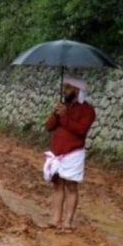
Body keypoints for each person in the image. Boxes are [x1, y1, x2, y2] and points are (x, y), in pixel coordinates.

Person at [43, 76, 95, 233]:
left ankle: (68, 222)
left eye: (68, 88)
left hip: (74, 153)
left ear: (77, 90)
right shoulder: (63, 106)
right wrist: (55, 113)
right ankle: (55, 219)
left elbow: (81, 130)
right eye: (65, 87)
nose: (64, 91)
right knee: (58, 185)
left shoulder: (87, 110)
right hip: (56, 152)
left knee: (71, 187)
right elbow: (49, 127)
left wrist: (65, 116)